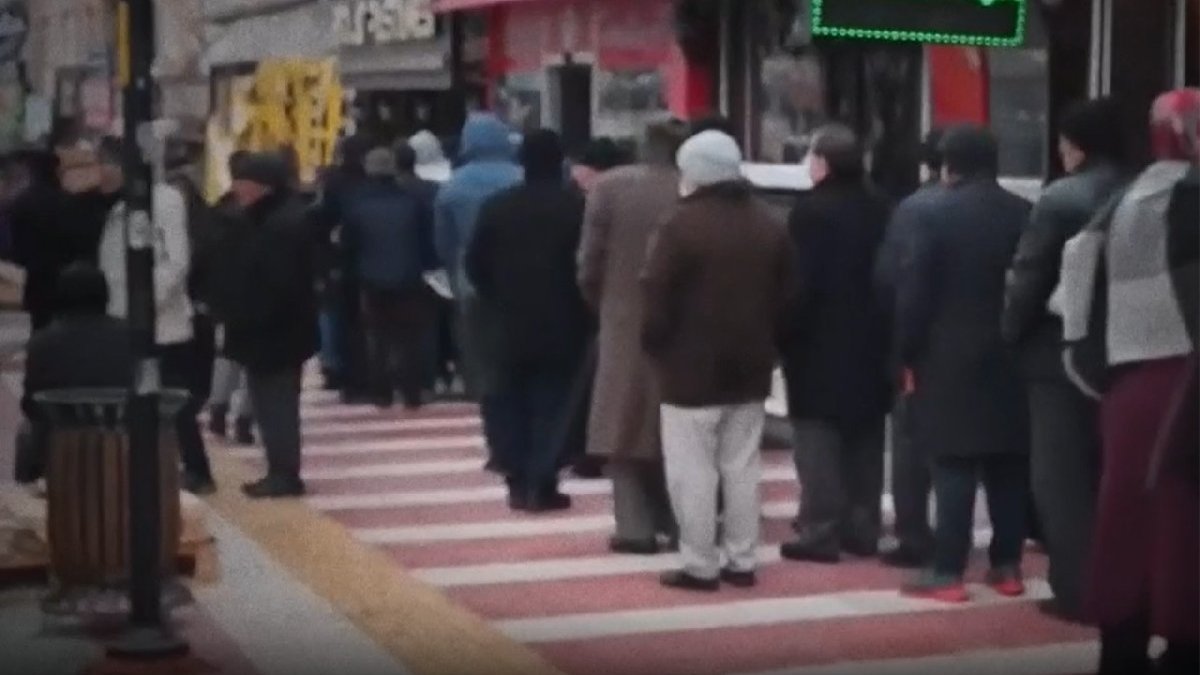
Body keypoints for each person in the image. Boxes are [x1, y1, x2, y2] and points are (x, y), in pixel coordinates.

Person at [1056, 89, 1199, 675]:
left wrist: (1092, 367)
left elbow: (1075, 285)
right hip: (1184, 379)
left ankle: (1122, 643)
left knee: (1126, 518)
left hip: (1126, 381)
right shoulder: (1188, 196)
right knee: (1183, 520)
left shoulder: (1125, 198)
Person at [642, 130, 794, 591]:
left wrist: (655, 346)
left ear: (694, 173)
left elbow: (656, 295)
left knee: (692, 470)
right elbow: (789, 296)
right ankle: (742, 559)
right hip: (751, 364)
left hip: (688, 368)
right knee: (742, 466)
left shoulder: (678, 225)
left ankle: (700, 563)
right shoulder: (769, 223)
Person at [1001, 98, 1128, 620]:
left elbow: (1030, 276)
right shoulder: (1138, 189)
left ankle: (1079, 590)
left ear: (1075, 145)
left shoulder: (1061, 198)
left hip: (1060, 354)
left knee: (1061, 480)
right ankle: (1125, 584)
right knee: (1110, 475)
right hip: (1127, 351)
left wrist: (1009, 333)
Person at [895, 126, 1031, 602]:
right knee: (1008, 464)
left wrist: (906, 352)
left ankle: (948, 571)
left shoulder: (929, 214)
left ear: (948, 165)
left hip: (946, 355)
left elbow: (913, 293)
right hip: (1013, 353)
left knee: (952, 463)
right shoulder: (1024, 212)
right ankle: (1007, 566)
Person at [778, 124, 892, 564]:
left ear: (823, 163)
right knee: (865, 435)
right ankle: (863, 528)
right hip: (873, 337)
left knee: (818, 438)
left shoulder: (809, 212)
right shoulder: (881, 206)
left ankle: (820, 530)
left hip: (818, 341)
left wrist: (784, 333)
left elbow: (798, 283)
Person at [578, 120, 688, 554]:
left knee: (621, 426)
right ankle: (679, 521)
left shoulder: (610, 188)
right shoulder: (695, 189)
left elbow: (589, 264)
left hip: (622, 317)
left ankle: (634, 527)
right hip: (684, 324)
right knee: (678, 431)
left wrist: (603, 304)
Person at [466, 130, 589, 511]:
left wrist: (495, 295)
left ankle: (516, 477)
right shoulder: (576, 207)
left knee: (508, 401)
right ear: (560, 162)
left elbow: (475, 265)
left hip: (506, 321)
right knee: (553, 404)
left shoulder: (496, 207)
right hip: (563, 320)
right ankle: (543, 479)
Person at [96, 143, 214, 495]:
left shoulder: (164, 201)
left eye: (105, 165)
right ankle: (154, 465)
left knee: (174, 401)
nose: (100, 174)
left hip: (162, 326)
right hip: (127, 322)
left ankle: (197, 469)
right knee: (144, 399)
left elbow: (176, 262)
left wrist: (144, 307)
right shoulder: (121, 206)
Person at [212, 152, 318, 499]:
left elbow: (276, 285)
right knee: (271, 403)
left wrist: (244, 314)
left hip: (274, 333)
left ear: (264, 187)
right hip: (275, 331)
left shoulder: (279, 226)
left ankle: (284, 473)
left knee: (276, 405)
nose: (237, 190)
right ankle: (280, 469)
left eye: (244, 183)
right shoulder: (271, 218)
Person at [872, 129, 944, 568]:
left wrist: (900, 349)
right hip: (990, 350)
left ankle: (914, 535)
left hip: (923, 349)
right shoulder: (1016, 208)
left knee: (912, 447)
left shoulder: (913, 211)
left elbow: (890, 283)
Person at [435, 113, 523, 470]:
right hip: (522, 287)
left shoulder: (453, 187)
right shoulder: (521, 177)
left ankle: (498, 446)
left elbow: (443, 244)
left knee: (488, 373)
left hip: (473, 289)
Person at [17, 263, 132, 484]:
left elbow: (30, 404)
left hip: (59, 446)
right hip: (121, 441)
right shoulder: (129, 337)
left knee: (27, 431)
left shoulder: (42, 342)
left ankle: (31, 488)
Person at [343, 145, 436, 409]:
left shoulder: (357, 204)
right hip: (409, 277)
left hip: (371, 278)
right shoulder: (411, 202)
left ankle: (381, 392)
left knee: (378, 337)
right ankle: (412, 391)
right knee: (409, 338)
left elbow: (349, 246)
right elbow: (426, 242)